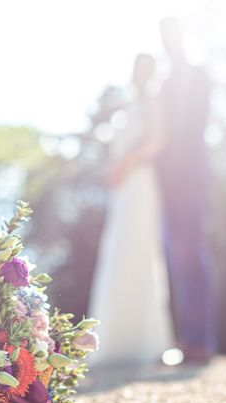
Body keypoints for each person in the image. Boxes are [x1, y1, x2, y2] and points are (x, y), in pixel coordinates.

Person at [88, 54, 175, 368]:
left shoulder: (153, 100)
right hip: (123, 188)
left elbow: (157, 140)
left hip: (140, 182)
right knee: (117, 253)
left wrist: (125, 164)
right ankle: (113, 340)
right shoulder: (127, 107)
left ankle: (146, 340)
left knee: (138, 251)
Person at [155, 17, 216, 363]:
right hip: (168, 180)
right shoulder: (163, 83)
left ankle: (202, 340)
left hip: (192, 175)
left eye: (173, 35)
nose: (169, 42)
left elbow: (195, 126)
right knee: (177, 258)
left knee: (195, 255)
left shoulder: (198, 74)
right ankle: (188, 338)